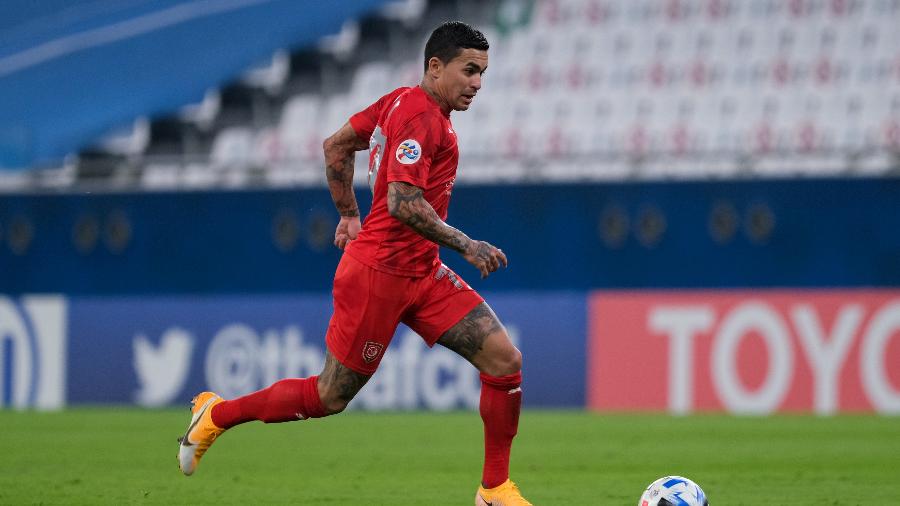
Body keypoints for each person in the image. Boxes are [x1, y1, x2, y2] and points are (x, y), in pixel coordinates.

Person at [177, 21, 531, 506]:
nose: (477, 83)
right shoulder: (421, 117)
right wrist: (465, 244)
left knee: (504, 361)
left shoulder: (398, 102)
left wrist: (348, 214)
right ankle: (217, 415)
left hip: (422, 273)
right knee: (329, 397)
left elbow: (336, 145)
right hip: (378, 276)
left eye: (482, 73)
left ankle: (494, 490)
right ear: (435, 66)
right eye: (469, 70)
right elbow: (405, 202)